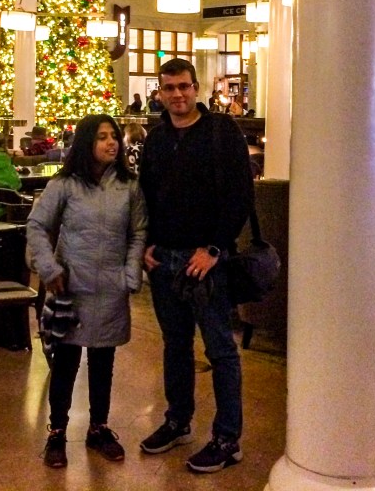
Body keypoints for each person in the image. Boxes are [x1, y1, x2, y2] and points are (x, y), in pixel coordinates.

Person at [138, 58, 253, 474]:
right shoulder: (156, 138)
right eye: (169, 88)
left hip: (207, 261)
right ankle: (178, 420)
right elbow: (147, 195)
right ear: (160, 93)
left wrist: (215, 248)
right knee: (175, 345)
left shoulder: (221, 131)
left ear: (196, 88)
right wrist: (147, 243)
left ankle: (227, 438)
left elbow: (240, 195)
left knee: (220, 349)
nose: (177, 94)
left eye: (183, 86)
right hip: (165, 260)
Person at [25, 114, 147, 469]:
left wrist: (130, 273)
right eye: (102, 137)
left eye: (114, 137)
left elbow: (138, 231)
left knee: (103, 362)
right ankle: (57, 431)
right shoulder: (65, 184)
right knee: (65, 363)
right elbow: (37, 225)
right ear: (86, 143)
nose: (111, 143)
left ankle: (99, 428)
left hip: (110, 288)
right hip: (72, 288)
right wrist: (49, 269)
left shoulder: (128, 186)